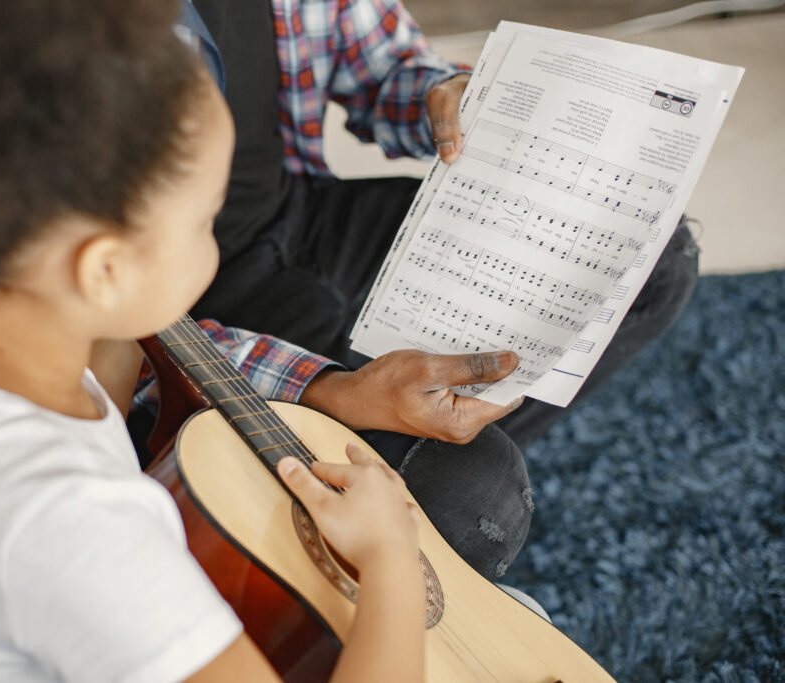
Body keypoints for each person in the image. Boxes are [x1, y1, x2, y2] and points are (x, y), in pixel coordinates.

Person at [0, 0, 543, 679]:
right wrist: (388, 563)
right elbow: (93, 547)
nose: (215, 248)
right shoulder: (85, 533)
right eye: (205, 223)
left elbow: (164, 342)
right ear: (103, 270)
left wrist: (335, 389)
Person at [181, 0, 700, 447]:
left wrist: (458, 99)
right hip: (188, 307)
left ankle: (420, 469)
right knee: (477, 499)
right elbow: (115, 352)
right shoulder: (113, 35)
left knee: (650, 262)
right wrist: (326, 391)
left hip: (298, 213)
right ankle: (417, 483)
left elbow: (386, 66)